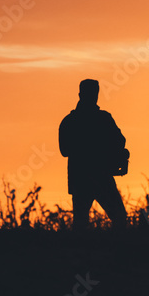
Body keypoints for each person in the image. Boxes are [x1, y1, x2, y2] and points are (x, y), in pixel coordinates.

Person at [58, 79, 128, 230]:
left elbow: (64, 150)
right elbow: (120, 141)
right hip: (100, 176)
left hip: (81, 177)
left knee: (81, 222)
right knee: (119, 217)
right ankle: (117, 249)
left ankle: (83, 251)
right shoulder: (103, 119)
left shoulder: (69, 121)